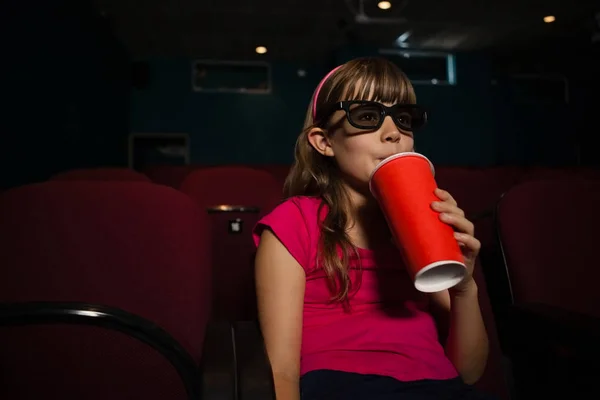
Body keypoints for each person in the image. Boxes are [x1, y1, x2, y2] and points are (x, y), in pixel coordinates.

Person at [253, 57, 495, 400]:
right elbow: (281, 373)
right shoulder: (294, 222)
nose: (393, 132)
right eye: (367, 116)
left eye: (404, 119)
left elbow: (468, 373)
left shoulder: (420, 226)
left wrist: (464, 286)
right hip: (339, 387)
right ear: (324, 142)